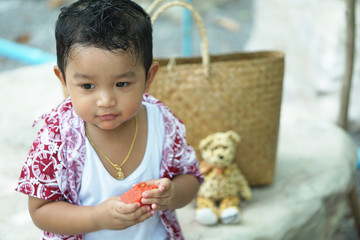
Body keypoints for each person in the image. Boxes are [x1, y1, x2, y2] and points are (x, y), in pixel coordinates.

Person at [15, 0, 203, 239]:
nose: (105, 100)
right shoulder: (56, 138)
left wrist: (172, 194)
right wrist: (96, 217)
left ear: (149, 77)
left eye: (122, 84)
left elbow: (191, 177)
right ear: (63, 79)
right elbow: (41, 211)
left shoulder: (163, 123)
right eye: (87, 85)